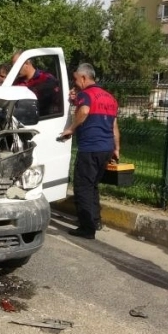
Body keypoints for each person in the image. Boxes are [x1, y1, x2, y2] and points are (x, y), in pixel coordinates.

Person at [58, 63, 120, 239]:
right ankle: (95, 220)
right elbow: (114, 126)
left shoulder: (86, 94)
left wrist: (71, 128)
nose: (75, 82)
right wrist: (117, 148)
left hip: (90, 148)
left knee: (83, 187)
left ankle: (87, 228)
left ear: (84, 78)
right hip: (106, 148)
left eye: (76, 79)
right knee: (92, 185)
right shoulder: (109, 97)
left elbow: (84, 111)